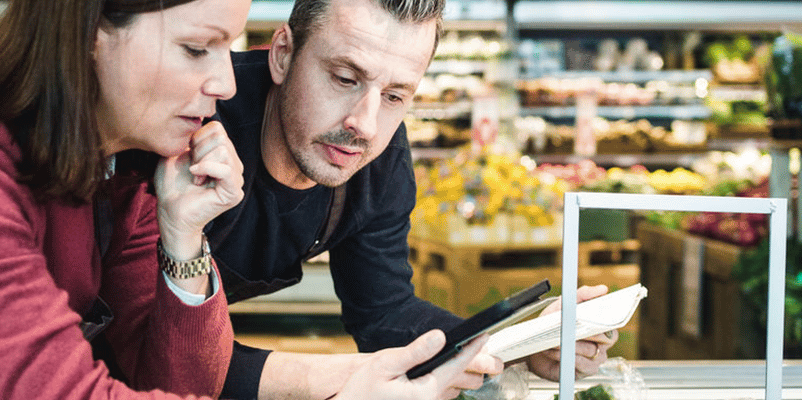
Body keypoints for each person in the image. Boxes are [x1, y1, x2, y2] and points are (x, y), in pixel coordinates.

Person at [0, 0, 486, 399]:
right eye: (196, 49)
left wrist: (183, 237)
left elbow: (179, 378)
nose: (227, 85)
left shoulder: (116, 169)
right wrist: (342, 390)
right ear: (92, 36)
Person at [203, 0, 620, 398]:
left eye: (394, 96)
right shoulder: (194, 118)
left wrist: (520, 343)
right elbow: (147, 345)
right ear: (282, 55)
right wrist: (340, 377)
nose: (364, 125)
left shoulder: (381, 164)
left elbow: (386, 315)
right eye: (346, 79)